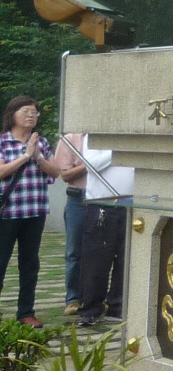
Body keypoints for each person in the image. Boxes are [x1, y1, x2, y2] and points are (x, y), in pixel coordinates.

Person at [0, 95, 67, 326]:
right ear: (13, 115)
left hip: (35, 211)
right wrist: (25, 156)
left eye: (34, 112)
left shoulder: (42, 143)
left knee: (30, 264)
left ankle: (26, 312)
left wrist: (37, 155)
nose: (31, 116)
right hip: (7, 213)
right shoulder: (3, 142)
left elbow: (55, 172)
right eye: (25, 111)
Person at [76, 134, 133, 328]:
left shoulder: (136, 136)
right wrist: (118, 147)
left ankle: (118, 306)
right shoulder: (96, 135)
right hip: (102, 204)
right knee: (96, 260)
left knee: (126, 259)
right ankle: (90, 309)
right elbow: (91, 165)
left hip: (132, 204)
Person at [57, 132, 89, 317]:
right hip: (78, 198)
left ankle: (95, 297)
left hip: (106, 198)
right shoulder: (71, 138)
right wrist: (91, 164)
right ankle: (73, 298)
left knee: (100, 251)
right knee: (73, 251)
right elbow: (65, 174)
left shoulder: (109, 136)